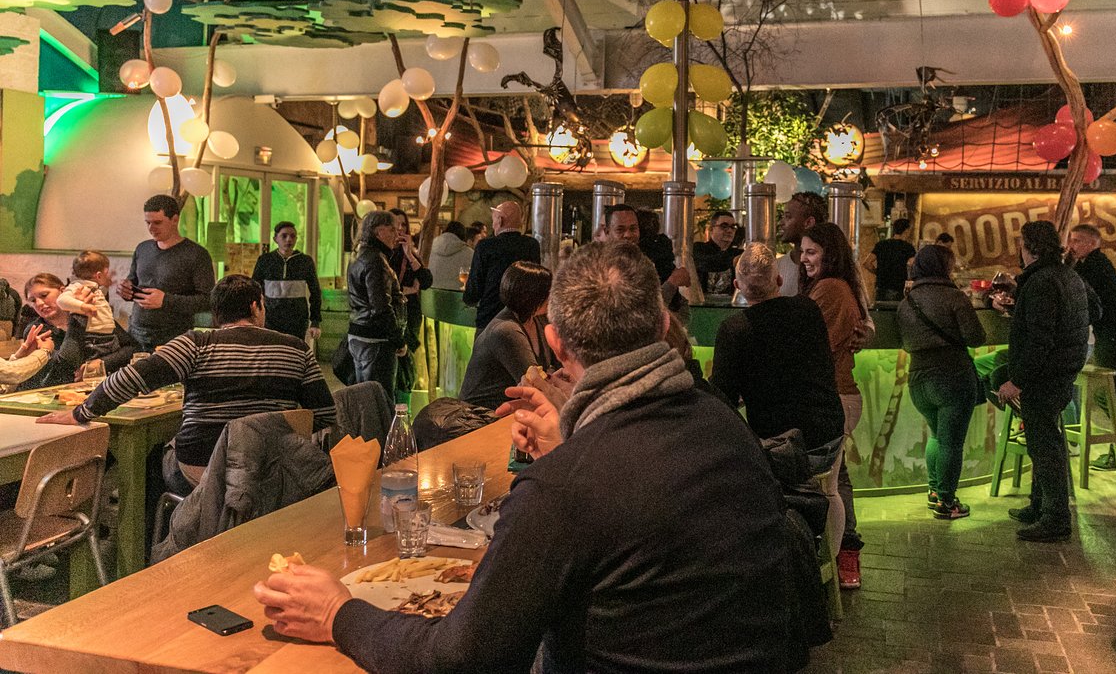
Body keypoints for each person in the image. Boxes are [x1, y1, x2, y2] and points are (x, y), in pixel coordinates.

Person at [254, 241, 791, 672]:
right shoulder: (726, 426)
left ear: (555, 343)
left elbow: (461, 659)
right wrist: (570, 442)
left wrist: (337, 613)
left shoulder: (565, 487)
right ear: (663, 325)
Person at [38, 275, 335, 495]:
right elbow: (324, 415)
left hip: (201, 470)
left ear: (215, 313)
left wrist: (80, 413)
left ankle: (156, 542)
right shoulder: (296, 348)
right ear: (256, 306)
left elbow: (129, 378)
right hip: (272, 470)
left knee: (152, 457)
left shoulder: (196, 343)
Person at [712, 243, 845, 538]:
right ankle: (830, 562)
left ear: (737, 286)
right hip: (826, 433)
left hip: (777, 443)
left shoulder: (734, 330)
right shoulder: (807, 309)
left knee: (766, 496)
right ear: (780, 280)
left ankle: (785, 556)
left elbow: (723, 398)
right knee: (830, 491)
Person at [998, 220, 1093, 543]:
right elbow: (1095, 309)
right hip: (1064, 369)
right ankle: (1039, 505)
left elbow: (1040, 340)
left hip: (1045, 374)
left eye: (1021, 243)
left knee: (1044, 446)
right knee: (1044, 441)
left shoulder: (1041, 281)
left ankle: (1055, 518)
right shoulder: (1068, 275)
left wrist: (1016, 381)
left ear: (1029, 247)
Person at [799, 221, 873, 589]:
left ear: (830, 254)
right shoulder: (834, 286)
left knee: (831, 482)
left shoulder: (830, 288)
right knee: (834, 478)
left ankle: (839, 555)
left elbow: (811, 345)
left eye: (811, 252)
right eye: (802, 251)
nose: (804, 258)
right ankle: (836, 556)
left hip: (835, 394)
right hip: (836, 393)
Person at [897, 244, 986, 521]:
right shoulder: (954, 297)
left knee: (937, 436)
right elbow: (976, 338)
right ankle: (947, 503)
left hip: (918, 379)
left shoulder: (906, 302)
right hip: (952, 376)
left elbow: (905, 341)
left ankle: (935, 491)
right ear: (944, 267)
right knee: (951, 443)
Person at [1068, 223, 1116, 471]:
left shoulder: (1094, 267)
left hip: (1115, 339)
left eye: (1077, 241)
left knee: (1108, 395)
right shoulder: (1093, 265)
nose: (1071, 245)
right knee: (1110, 395)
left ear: (1092, 243)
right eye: (1071, 240)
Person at [118, 194, 216, 351]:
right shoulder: (142, 248)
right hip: (136, 331)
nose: (151, 228)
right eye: (148, 222)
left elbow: (207, 300)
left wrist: (166, 300)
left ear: (175, 220)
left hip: (174, 336)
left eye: (157, 222)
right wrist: (125, 290)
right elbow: (133, 282)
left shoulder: (196, 254)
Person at [18, 273, 138, 390]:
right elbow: (65, 366)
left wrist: (102, 363)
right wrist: (78, 314)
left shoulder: (94, 316)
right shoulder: (37, 329)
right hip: (57, 391)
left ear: (63, 291)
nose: (39, 303)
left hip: (100, 386)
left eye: (44, 295)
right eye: (33, 300)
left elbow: (132, 348)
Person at [459, 262, 553, 411]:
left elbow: (554, 368)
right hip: (482, 416)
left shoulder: (538, 320)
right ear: (530, 295)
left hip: (514, 410)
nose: (552, 297)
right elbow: (534, 383)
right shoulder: (506, 330)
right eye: (547, 292)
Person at [346, 210, 406, 402]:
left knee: (364, 396)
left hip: (360, 333)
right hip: (375, 338)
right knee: (378, 399)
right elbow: (380, 306)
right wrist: (398, 339)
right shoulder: (375, 260)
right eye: (392, 229)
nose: (397, 235)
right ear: (378, 231)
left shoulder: (359, 253)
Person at [463, 201, 540, 332]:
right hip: (522, 322)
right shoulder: (532, 245)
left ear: (500, 220)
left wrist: (467, 298)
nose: (492, 224)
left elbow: (473, 292)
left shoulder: (485, 246)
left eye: (493, 220)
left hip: (489, 320)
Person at [252, 221, 323, 342]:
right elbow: (254, 289)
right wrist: (254, 317)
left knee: (294, 350)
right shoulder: (265, 261)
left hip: (297, 321)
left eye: (292, 236)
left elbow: (315, 292)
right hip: (270, 320)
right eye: (284, 236)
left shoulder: (305, 261)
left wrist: (315, 321)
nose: (289, 239)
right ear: (275, 239)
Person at [388, 208, 433, 396]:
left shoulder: (410, 254)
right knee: (392, 362)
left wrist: (410, 254)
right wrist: (405, 289)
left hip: (410, 314)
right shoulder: (382, 254)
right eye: (395, 225)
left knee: (406, 362)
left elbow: (426, 281)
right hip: (390, 314)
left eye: (403, 225)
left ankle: (403, 402)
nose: (400, 229)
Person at [56, 250, 121, 359]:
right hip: (94, 338)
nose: (108, 276)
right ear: (99, 275)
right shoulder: (77, 287)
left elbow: (100, 296)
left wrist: (106, 286)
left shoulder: (94, 288)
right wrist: (83, 307)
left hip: (107, 336)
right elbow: (61, 300)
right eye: (106, 273)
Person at [778, 191, 827, 297]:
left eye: (788, 217)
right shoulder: (777, 266)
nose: (780, 223)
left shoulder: (832, 268)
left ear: (808, 223)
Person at [862, 217, 916, 302]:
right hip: (898, 288)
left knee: (880, 309)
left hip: (881, 287)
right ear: (906, 231)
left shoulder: (881, 245)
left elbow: (867, 263)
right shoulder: (908, 247)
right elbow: (914, 265)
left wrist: (877, 272)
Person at [692, 211, 742, 296]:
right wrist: (733, 260)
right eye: (724, 226)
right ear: (711, 229)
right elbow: (709, 262)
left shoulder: (737, 253)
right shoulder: (699, 249)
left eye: (733, 227)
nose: (729, 230)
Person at [427, 221, 474, 291]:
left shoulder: (429, 250)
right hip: (458, 295)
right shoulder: (470, 254)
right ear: (463, 236)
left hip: (430, 295)